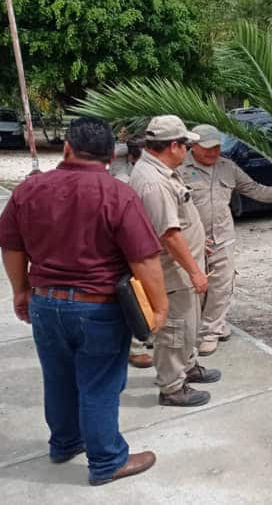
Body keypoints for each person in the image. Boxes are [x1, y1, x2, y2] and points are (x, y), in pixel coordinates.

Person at [0, 117, 164, 485]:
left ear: (67, 148)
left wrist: (20, 290)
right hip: (98, 306)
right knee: (100, 385)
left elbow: (11, 244)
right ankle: (107, 461)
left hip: (45, 303)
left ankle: (64, 443)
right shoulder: (118, 194)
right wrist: (159, 306)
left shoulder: (30, 190)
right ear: (110, 154)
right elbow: (144, 259)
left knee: (58, 379)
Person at [129, 115, 221, 407]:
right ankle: (171, 387)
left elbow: (179, 221)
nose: (188, 150)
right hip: (174, 271)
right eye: (185, 144)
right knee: (176, 329)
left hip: (183, 266)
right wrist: (195, 271)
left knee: (188, 324)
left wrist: (196, 242)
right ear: (172, 146)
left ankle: (187, 367)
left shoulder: (163, 170)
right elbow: (168, 234)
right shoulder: (153, 183)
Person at [177, 124, 272, 356]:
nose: (213, 152)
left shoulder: (227, 167)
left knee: (221, 286)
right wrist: (189, 237)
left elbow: (255, 190)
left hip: (223, 237)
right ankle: (204, 325)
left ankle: (210, 331)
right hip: (191, 241)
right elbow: (172, 209)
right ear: (193, 146)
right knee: (194, 288)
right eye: (207, 148)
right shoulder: (179, 169)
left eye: (217, 147)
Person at [110, 138, 155, 369]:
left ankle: (146, 338)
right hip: (131, 245)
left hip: (146, 242)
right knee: (133, 293)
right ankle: (136, 346)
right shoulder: (123, 178)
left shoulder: (135, 172)